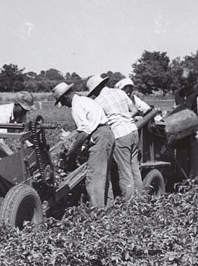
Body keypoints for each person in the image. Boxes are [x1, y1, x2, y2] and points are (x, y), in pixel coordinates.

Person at [53, 80, 114, 209]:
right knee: (103, 176)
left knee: (94, 179)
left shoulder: (76, 106)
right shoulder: (86, 101)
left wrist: (72, 151)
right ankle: (109, 209)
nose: (64, 105)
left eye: (62, 101)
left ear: (65, 97)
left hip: (100, 137)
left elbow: (84, 132)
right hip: (107, 134)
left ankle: (98, 213)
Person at [87, 74, 140, 201]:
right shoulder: (120, 93)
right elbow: (134, 110)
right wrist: (125, 118)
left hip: (120, 134)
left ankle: (131, 206)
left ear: (95, 90)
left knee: (125, 173)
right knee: (135, 170)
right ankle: (141, 201)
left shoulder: (98, 101)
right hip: (133, 131)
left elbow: (98, 123)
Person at [0, 91, 35, 156]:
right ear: (16, 105)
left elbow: (21, 132)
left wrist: (31, 145)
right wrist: (14, 157)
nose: (25, 112)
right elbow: (0, 142)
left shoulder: (21, 113)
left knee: (4, 159)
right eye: (24, 109)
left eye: (27, 110)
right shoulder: (2, 115)